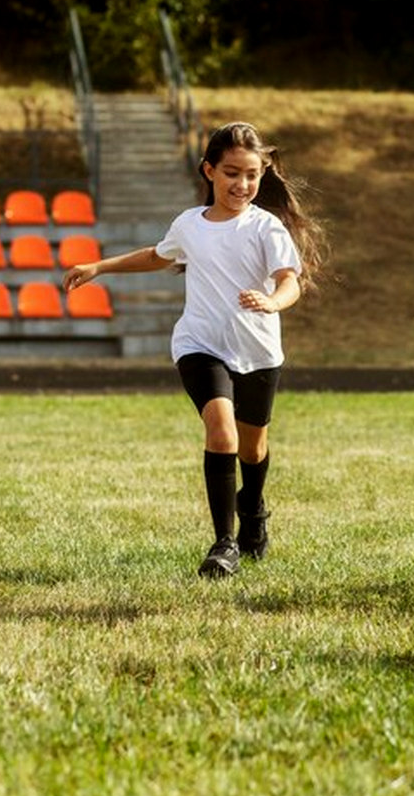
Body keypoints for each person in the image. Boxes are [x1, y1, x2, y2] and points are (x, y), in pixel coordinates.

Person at [64, 122, 326, 578]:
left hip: (258, 351)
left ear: (262, 174)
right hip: (200, 344)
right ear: (208, 171)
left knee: (253, 446)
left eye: (251, 175)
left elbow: (290, 281)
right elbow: (158, 255)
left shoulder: (267, 228)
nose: (241, 184)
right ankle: (224, 544)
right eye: (230, 173)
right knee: (220, 428)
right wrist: (98, 267)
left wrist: (272, 301)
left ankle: (254, 508)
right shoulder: (189, 224)